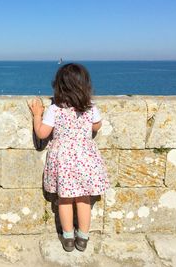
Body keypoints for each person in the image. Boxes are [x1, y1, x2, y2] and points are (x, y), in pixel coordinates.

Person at [28, 63, 110, 252]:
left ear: (59, 86)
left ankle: (67, 238)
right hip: (85, 159)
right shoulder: (90, 107)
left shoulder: (55, 110)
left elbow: (41, 133)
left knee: (64, 200)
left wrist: (37, 115)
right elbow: (97, 126)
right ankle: (83, 237)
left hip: (64, 160)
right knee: (84, 199)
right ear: (85, 86)